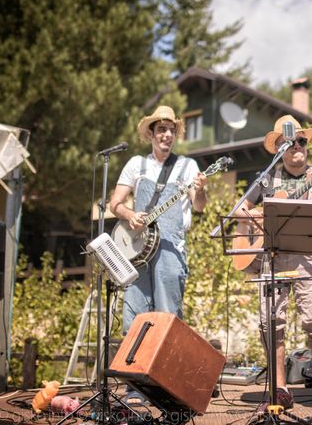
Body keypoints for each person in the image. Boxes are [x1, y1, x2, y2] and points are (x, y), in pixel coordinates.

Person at [237, 115, 312, 414]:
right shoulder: (266, 178)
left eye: (302, 141)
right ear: (279, 147)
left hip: (309, 257)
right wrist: (257, 217)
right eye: (290, 141)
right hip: (272, 255)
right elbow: (241, 208)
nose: (297, 146)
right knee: (271, 323)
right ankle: (279, 389)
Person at [109, 106, 207, 402]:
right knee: (134, 318)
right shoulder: (136, 165)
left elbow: (199, 206)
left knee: (168, 317)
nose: (167, 134)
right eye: (161, 129)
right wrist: (129, 215)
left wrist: (200, 189)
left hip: (170, 251)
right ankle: (134, 386)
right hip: (136, 251)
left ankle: (166, 387)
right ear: (150, 133)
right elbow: (115, 203)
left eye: (171, 130)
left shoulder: (187, 166)